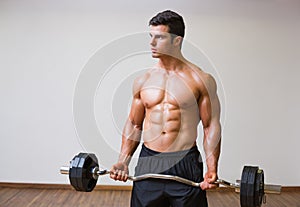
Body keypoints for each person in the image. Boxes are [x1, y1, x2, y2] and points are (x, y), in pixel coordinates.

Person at [110, 10, 221, 207]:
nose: (151, 43)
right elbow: (135, 125)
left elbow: (210, 125)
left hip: (185, 161)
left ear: (177, 41)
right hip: (149, 160)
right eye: (150, 36)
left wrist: (212, 167)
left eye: (159, 37)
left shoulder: (200, 80)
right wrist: (123, 161)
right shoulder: (143, 80)